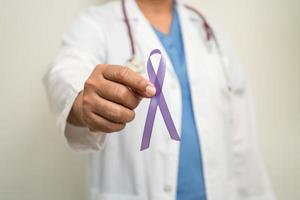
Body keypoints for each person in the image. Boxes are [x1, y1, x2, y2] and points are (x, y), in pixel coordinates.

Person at [43, 0, 275, 199]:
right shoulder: (96, 23)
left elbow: (241, 139)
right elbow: (64, 72)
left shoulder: (207, 29)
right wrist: (83, 100)